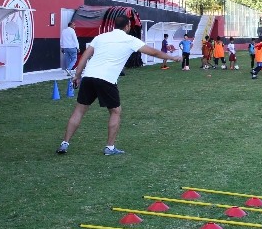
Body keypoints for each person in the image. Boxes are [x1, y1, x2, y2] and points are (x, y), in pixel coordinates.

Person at [58, 15, 181, 155]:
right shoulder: (130, 40)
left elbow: (85, 56)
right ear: (127, 26)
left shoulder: (100, 37)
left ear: (114, 25)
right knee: (115, 112)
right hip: (106, 79)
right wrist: (172, 57)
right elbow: (154, 52)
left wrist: (77, 75)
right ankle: (110, 148)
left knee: (79, 110)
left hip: (89, 76)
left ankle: (64, 143)